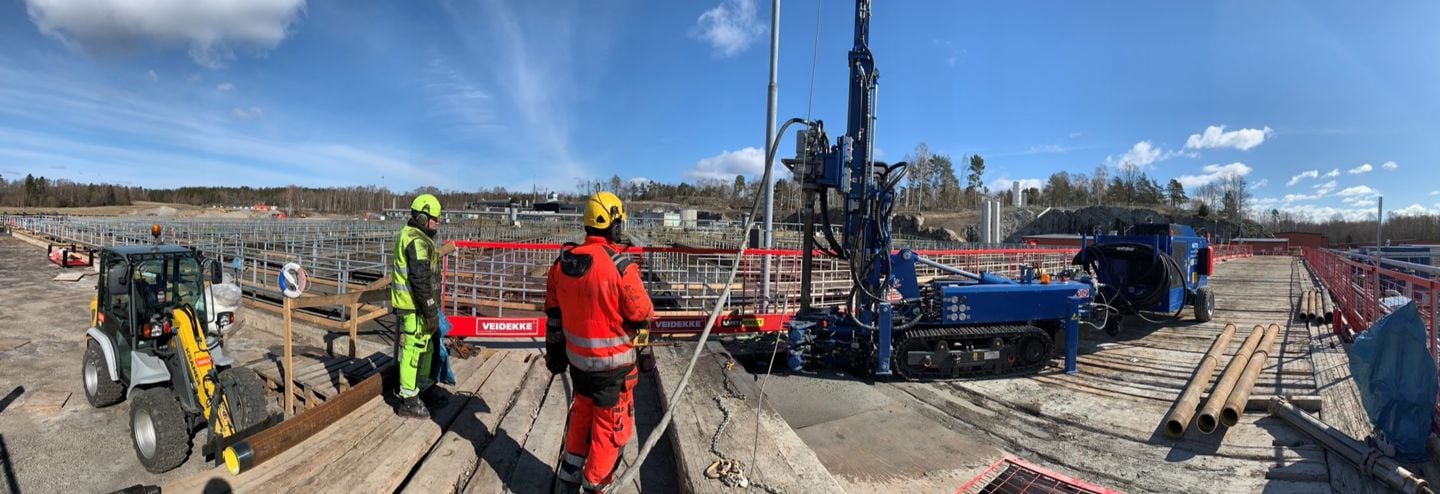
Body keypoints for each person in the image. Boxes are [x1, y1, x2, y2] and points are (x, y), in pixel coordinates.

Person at [545, 191, 654, 492]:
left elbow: (554, 319)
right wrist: (644, 350)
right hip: (613, 373)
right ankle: (595, 484)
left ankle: (568, 476)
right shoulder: (620, 267)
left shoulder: (561, 265)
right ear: (611, 224)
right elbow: (642, 313)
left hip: (578, 368)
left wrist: (554, 356)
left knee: (581, 415)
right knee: (610, 430)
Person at [391, 193, 449, 417]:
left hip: (420, 307)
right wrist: (430, 311)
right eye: (435, 219)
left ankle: (421, 387)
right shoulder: (416, 240)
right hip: (415, 307)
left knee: (427, 347)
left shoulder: (416, 237)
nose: (437, 224)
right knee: (413, 351)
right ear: (424, 218)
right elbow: (420, 280)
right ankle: (408, 400)